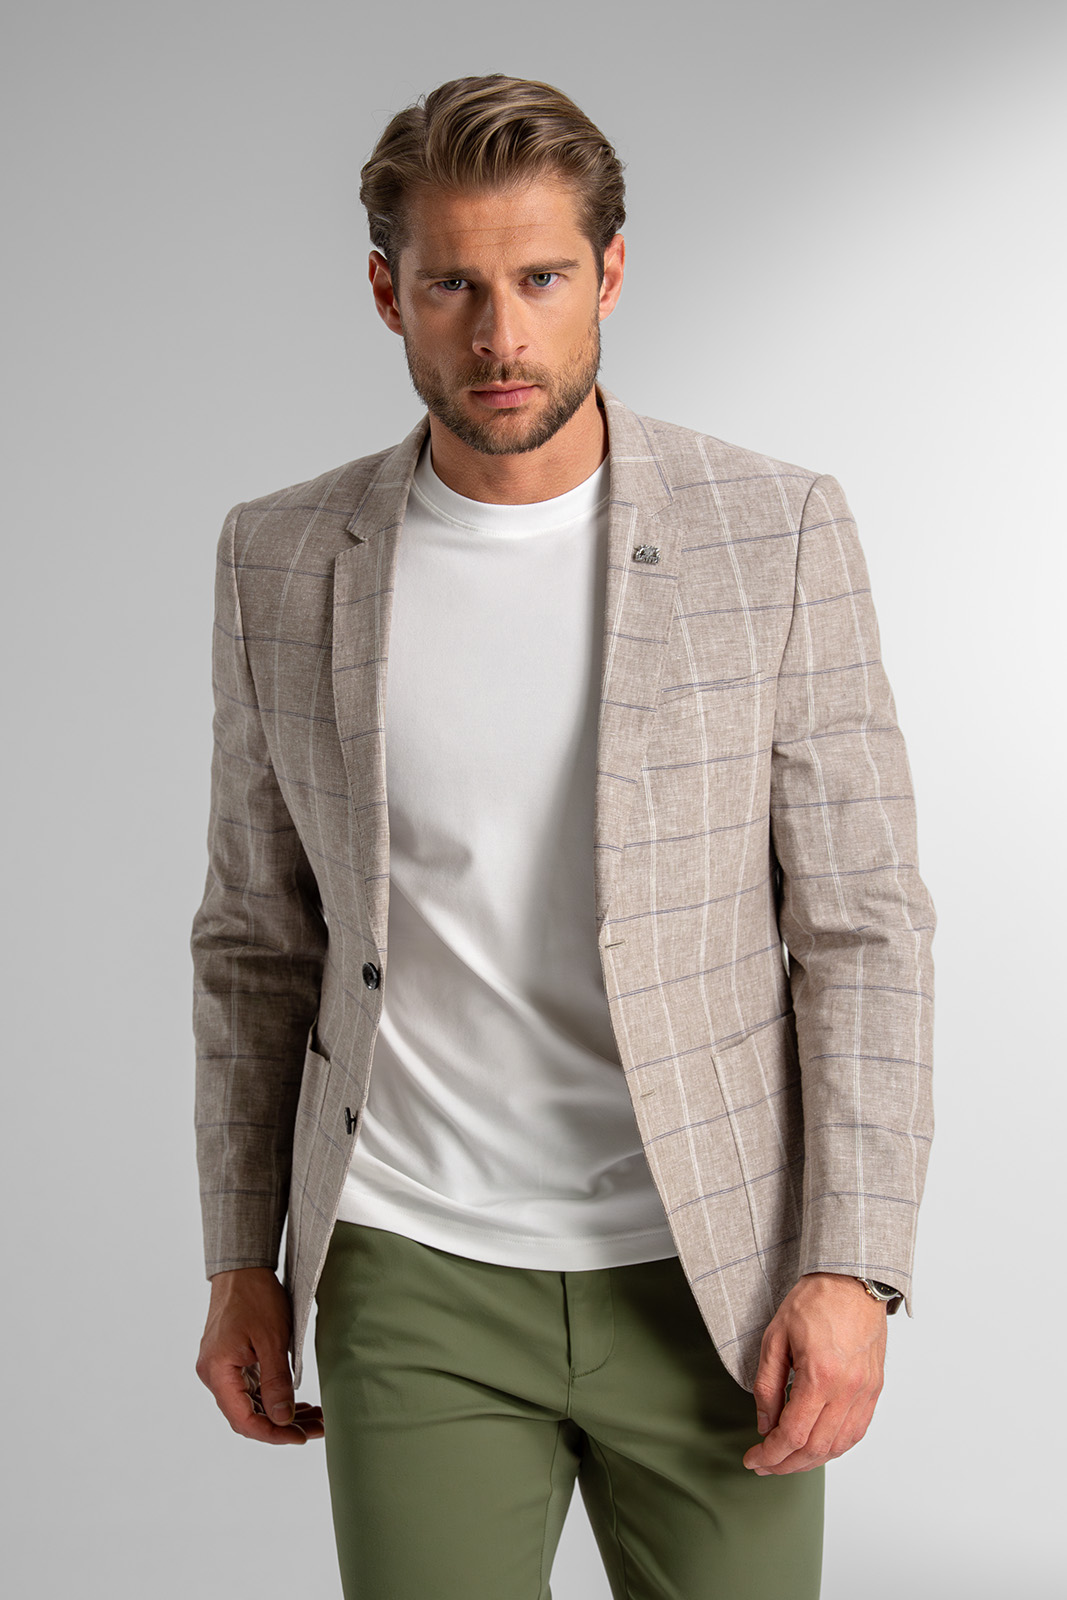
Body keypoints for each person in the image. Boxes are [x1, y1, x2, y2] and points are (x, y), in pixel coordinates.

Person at [192, 73, 935, 1600]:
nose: (500, 336)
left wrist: (853, 1266)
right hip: (413, 1262)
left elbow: (863, 925)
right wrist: (238, 1258)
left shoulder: (773, 531)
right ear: (388, 292)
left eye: (539, 279)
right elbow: (257, 938)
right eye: (454, 286)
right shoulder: (281, 556)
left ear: (610, 271)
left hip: (710, 1273)